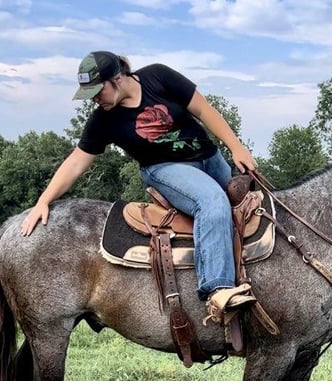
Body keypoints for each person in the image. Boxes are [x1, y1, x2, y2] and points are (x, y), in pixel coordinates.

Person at [21, 50, 257, 317]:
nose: (95, 100)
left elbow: (203, 109)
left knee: (254, 205)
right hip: (166, 170)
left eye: (99, 91)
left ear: (118, 79)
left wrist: (237, 148)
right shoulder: (103, 119)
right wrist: (44, 200)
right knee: (212, 201)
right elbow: (76, 162)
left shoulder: (159, 77)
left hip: (210, 159)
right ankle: (218, 290)